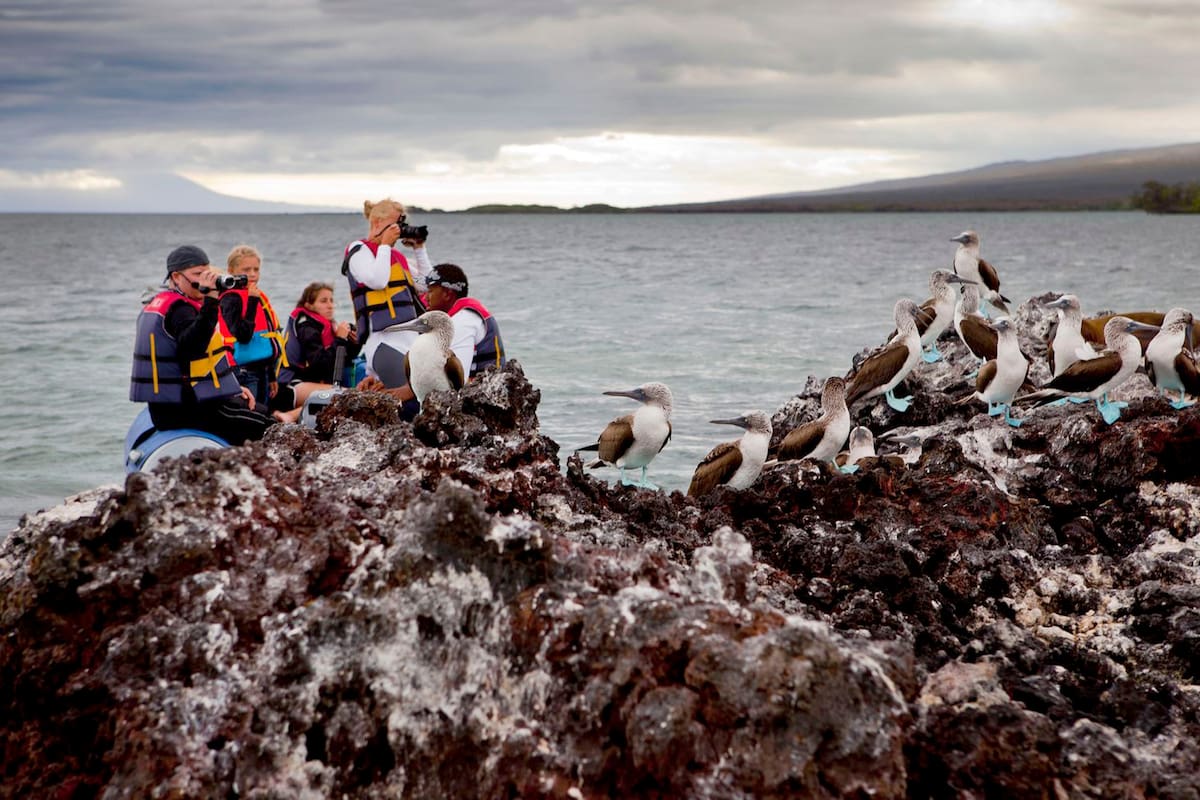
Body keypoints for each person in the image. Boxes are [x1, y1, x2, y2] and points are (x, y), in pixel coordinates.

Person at [130, 245, 273, 445]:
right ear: (177, 277)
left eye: (207, 273)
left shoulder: (174, 304)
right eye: (198, 274)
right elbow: (194, 348)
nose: (205, 280)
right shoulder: (179, 310)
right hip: (180, 408)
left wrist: (232, 387)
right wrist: (212, 300)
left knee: (260, 410)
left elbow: (197, 366)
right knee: (267, 424)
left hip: (188, 401)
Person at [342, 198, 433, 418]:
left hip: (409, 343)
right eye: (394, 225)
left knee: (424, 404)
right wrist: (384, 245)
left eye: (400, 226)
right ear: (377, 223)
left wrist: (419, 249)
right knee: (411, 407)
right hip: (384, 343)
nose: (398, 231)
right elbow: (377, 280)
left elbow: (429, 283)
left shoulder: (394, 256)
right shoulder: (359, 250)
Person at [271, 282, 361, 423]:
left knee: (348, 396)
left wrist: (353, 343)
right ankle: (290, 416)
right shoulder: (306, 327)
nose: (330, 305)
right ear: (309, 305)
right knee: (345, 396)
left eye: (331, 300)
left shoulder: (325, 326)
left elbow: (342, 360)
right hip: (291, 385)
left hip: (308, 383)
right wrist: (339, 339)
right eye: (323, 301)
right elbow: (320, 364)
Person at [218, 245, 283, 408]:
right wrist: (252, 301)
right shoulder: (231, 298)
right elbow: (243, 336)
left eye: (256, 269)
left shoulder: (255, 293)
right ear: (231, 270)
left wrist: (272, 375)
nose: (253, 274)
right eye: (247, 269)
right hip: (244, 371)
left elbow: (265, 339)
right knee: (252, 410)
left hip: (263, 369)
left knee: (264, 410)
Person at [421, 263, 506, 378]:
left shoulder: (462, 321)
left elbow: (459, 378)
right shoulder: (466, 315)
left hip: (479, 393)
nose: (426, 297)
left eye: (430, 291)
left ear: (447, 294)